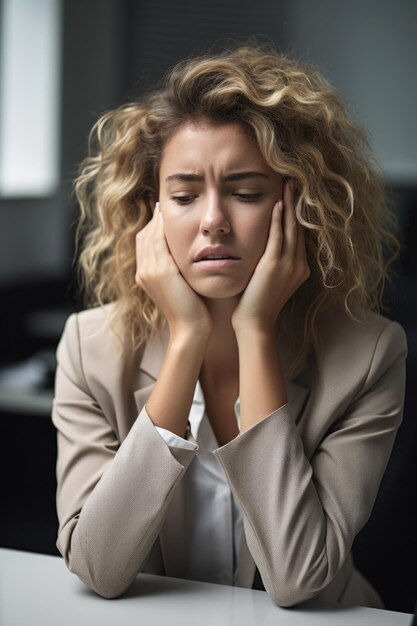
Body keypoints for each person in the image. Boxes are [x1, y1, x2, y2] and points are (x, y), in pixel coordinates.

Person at [52, 43, 407, 608]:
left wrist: (256, 332)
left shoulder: (369, 356)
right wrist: (186, 339)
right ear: (152, 212)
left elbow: (299, 578)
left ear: (300, 205)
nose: (214, 221)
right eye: (185, 195)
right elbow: (98, 566)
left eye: (245, 193)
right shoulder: (88, 348)